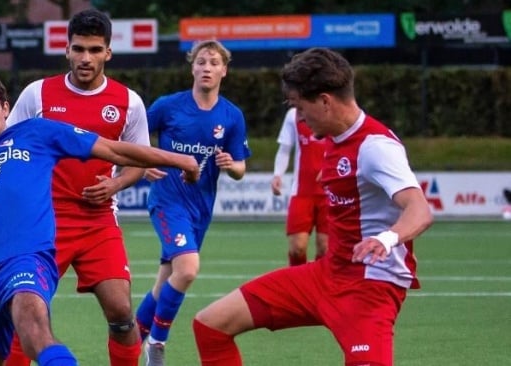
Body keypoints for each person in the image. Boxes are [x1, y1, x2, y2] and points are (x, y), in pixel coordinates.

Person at [0, 69, 200, 366]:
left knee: (32, 324)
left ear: (5, 107)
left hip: (27, 263)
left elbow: (115, 149)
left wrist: (178, 159)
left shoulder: (36, 133)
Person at [192, 47, 433, 366]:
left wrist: (385, 239)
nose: (299, 119)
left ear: (325, 100)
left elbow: (420, 209)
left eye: (300, 108)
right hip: (326, 275)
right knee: (210, 325)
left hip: (369, 290)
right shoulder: (334, 139)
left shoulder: (376, 148)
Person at [4, 9, 150, 366]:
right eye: (79, 49)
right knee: (27, 314)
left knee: (121, 311)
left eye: (95, 50)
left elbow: (140, 160)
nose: (86, 58)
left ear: (108, 53)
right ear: (66, 50)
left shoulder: (128, 101)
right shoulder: (37, 94)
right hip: (43, 223)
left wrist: (115, 183)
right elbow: (7, 148)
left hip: (98, 223)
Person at [134, 39, 251, 366]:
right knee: (187, 269)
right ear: (192, 67)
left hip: (201, 209)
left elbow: (241, 167)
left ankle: (130, 343)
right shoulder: (168, 106)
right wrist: (141, 166)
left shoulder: (231, 116)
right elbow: (131, 138)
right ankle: (156, 342)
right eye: (201, 62)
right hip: (168, 201)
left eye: (214, 62)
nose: (207, 68)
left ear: (223, 70)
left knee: (165, 282)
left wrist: (232, 166)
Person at [271, 107, 328, 265]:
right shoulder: (294, 114)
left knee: (325, 248)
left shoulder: (335, 111)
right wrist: (278, 174)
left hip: (330, 194)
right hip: (302, 192)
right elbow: (284, 148)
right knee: (297, 248)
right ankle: (298, 286)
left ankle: (320, 287)